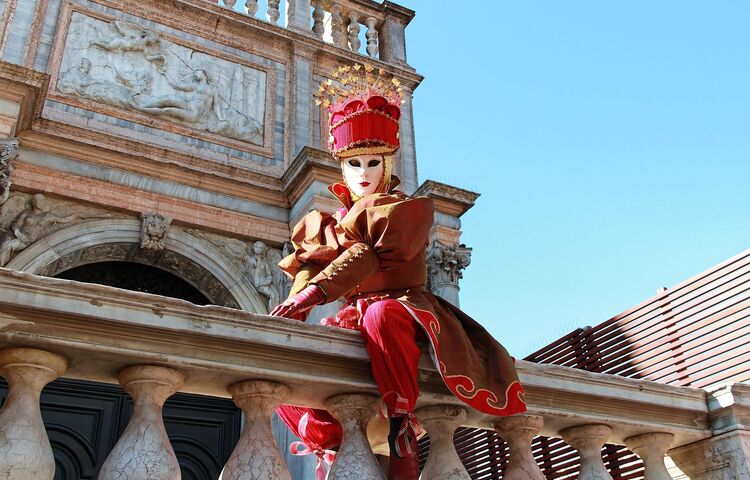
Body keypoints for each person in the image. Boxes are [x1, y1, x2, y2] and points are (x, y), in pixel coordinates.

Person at [270, 64, 526, 480]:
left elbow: (367, 258)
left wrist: (309, 298)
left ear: (388, 164)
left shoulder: (406, 211)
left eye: (374, 162)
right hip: (352, 319)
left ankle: (402, 426)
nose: (365, 173)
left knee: (379, 314)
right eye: (355, 164)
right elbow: (309, 263)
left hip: (402, 311)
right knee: (280, 364)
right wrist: (291, 307)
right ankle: (326, 439)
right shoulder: (326, 223)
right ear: (343, 168)